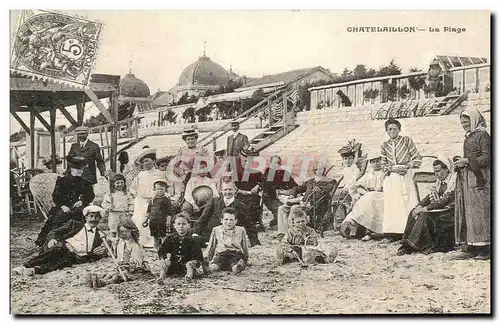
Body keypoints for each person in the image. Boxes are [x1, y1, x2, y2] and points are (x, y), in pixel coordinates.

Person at [14, 206, 108, 276]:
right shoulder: (74, 224)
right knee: (59, 249)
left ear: (100, 219)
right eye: (91, 216)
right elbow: (54, 232)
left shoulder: (100, 235)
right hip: (63, 246)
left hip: (76, 256)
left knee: (62, 262)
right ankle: (25, 266)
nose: (93, 219)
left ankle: (34, 271)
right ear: (86, 217)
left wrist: (103, 252)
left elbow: (103, 251)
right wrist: (52, 239)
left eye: (96, 217)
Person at [397, 156, 456, 256]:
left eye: (438, 171)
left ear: (447, 169)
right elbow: (429, 197)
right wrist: (419, 206)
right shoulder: (439, 182)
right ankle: (406, 242)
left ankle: (410, 246)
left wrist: (426, 208)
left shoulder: (453, 182)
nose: (436, 174)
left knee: (424, 215)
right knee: (413, 211)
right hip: (439, 209)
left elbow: (444, 200)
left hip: (450, 212)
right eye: (434, 171)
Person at [453, 108, 490, 260]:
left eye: (466, 121)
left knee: (481, 212)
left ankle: (485, 248)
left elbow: (487, 158)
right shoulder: (470, 136)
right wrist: (460, 162)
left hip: (481, 178)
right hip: (469, 178)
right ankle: (473, 245)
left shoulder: (483, 136)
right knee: (470, 212)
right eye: (462, 122)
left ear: (474, 120)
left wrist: (466, 161)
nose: (464, 124)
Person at [35, 155, 95, 247]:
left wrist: (82, 201)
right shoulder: (62, 181)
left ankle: (78, 240)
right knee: (58, 217)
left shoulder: (85, 183)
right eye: (77, 169)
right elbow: (56, 197)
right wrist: (63, 206)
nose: (80, 171)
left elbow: (90, 195)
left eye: (81, 169)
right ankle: (53, 240)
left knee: (81, 216)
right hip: (63, 206)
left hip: (78, 207)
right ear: (71, 169)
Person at [380, 118, 422, 241]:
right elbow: (383, 164)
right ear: (386, 131)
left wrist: (407, 166)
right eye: (389, 129)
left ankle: (407, 232)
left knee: (406, 203)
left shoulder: (406, 141)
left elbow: (417, 158)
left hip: (405, 176)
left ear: (399, 129)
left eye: (394, 129)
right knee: (393, 205)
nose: (392, 131)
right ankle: (393, 233)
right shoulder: (384, 145)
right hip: (392, 178)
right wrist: (393, 169)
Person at [276, 160, 336, 238]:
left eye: (321, 169)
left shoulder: (330, 181)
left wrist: (321, 189)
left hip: (315, 205)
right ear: (314, 171)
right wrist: (292, 194)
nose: (318, 171)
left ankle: (292, 233)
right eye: (316, 169)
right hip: (304, 203)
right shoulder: (310, 181)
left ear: (324, 170)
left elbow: (330, 189)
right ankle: (282, 233)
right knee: (282, 208)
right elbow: (298, 188)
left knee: (294, 208)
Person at [193, 179, 260, 247]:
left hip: (230, 238)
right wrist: (195, 233)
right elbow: (202, 219)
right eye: (225, 189)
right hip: (211, 236)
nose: (228, 192)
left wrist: (255, 243)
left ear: (235, 190)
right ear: (221, 190)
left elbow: (249, 225)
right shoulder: (214, 202)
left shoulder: (240, 206)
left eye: (230, 189)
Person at [88, 218, 153, 288]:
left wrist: (131, 264)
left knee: (116, 277)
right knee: (110, 274)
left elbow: (137, 262)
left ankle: (103, 282)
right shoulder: (119, 242)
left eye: (127, 231)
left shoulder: (135, 246)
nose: (124, 234)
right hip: (122, 268)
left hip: (136, 271)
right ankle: (99, 280)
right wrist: (106, 247)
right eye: (122, 232)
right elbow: (112, 249)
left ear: (132, 231)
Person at [339, 153, 385, 241]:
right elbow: (356, 186)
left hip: (382, 196)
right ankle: (354, 225)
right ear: (371, 163)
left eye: (378, 161)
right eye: (374, 162)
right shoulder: (369, 174)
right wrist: (364, 192)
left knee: (374, 203)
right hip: (370, 196)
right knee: (363, 204)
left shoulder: (385, 173)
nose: (376, 164)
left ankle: (374, 231)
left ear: (381, 161)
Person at [129, 148, 166, 248]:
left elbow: (164, 188)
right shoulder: (141, 175)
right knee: (139, 217)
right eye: (143, 162)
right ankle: (140, 240)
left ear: (153, 161)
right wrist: (134, 194)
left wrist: (154, 196)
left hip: (155, 200)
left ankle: (153, 241)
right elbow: (133, 188)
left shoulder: (160, 173)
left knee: (152, 216)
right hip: (141, 201)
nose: (145, 163)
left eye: (147, 161)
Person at [157, 213, 204, 282]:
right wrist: (163, 258)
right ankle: (161, 277)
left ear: (189, 225)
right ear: (174, 226)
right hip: (174, 264)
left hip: (187, 265)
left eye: (184, 224)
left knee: (189, 264)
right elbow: (162, 251)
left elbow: (198, 255)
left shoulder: (192, 240)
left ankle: (189, 277)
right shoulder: (170, 238)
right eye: (178, 224)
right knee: (166, 262)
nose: (181, 226)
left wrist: (194, 261)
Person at [206, 207, 249, 275]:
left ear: (236, 221)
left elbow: (245, 246)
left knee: (234, 266)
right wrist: (208, 258)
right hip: (221, 254)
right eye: (226, 219)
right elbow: (211, 246)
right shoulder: (216, 230)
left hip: (235, 254)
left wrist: (246, 258)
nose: (228, 222)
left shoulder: (241, 230)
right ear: (221, 220)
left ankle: (238, 267)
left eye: (231, 220)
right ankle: (210, 268)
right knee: (213, 267)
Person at [261, 155, 299, 229]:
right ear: (271, 164)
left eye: (279, 163)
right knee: (281, 211)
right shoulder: (268, 173)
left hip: (286, 196)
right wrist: (280, 192)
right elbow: (268, 187)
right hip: (272, 198)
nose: (277, 165)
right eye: (275, 163)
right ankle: (277, 222)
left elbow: (294, 185)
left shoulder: (284, 173)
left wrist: (292, 192)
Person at [101, 174, 134, 239]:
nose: (120, 184)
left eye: (122, 182)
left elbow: (131, 203)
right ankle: (114, 241)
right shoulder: (110, 194)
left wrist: (130, 212)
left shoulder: (126, 193)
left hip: (124, 214)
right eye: (117, 183)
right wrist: (108, 208)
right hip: (114, 214)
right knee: (113, 229)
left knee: (123, 228)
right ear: (113, 184)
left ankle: (122, 242)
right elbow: (104, 203)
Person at [143, 179, 174, 249]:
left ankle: (165, 248)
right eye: (158, 189)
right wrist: (145, 220)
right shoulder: (152, 199)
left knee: (163, 236)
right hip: (153, 221)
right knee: (155, 236)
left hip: (162, 221)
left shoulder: (166, 200)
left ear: (165, 190)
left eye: (162, 189)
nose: (160, 191)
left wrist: (168, 221)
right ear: (154, 189)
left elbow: (169, 212)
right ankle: (156, 248)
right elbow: (148, 211)